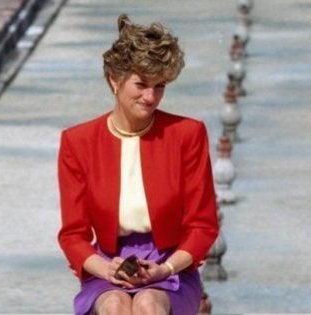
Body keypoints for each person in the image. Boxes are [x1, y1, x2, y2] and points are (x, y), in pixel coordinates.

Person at [57, 13, 219, 315]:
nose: (150, 97)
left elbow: (203, 225)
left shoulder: (188, 134)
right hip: (106, 263)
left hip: (173, 266)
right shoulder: (77, 141)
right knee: (116, 305)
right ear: (114, 81)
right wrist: (106, 270)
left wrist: (166, 268)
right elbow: (73, 235)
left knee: (148, 304)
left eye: (160, 87)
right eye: (141, 84)